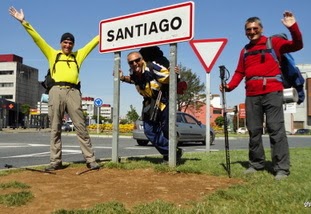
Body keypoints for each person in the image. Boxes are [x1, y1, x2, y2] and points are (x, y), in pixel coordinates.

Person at [9, 6, 100, 171]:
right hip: (55, 91)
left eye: (70, 42)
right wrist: (23, 22)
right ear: (61, 43)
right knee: (55, 127)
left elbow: (93, 43)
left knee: (80, 126)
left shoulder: (78, 55)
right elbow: (38, 40)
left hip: (73, 92)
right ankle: (55, 161)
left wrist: (106, 30)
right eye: (65, 42)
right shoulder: (53, 54)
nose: (68, 44)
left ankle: (91, 159)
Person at [220, 11, 303, 180]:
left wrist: (292, 27)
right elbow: (239, 72)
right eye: (248, 30)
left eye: (254, 28)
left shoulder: (274, 42)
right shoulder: (245, 50)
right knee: (254, 130)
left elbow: (297, 44)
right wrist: (228, 87)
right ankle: (256, 164)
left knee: (276, 129)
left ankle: (281, 168)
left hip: (272, 92)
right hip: (251, 95)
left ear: (261, 29)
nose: (252, 32)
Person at [119, 50, 183, 163]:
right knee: (149, 131)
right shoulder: (134, 72)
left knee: (166, 130)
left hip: (163, 101)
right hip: (149, 103)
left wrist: (176, 74)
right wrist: (123, 78)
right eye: (131, 62)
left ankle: (169, 155)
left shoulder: (152, 67)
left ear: (142, 60)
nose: (134, 64)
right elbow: (134, 80)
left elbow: (170, 77)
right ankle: (171, 151)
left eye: (137, 60)